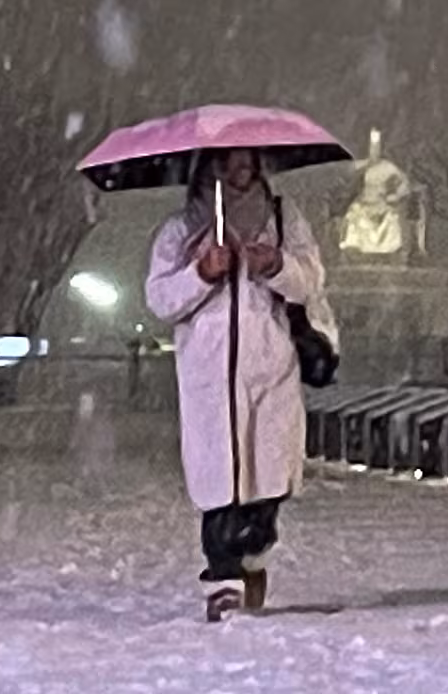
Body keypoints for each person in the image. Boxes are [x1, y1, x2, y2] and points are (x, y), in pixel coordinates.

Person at [147, 148, 341, 619]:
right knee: (220, 485)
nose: (238, 171)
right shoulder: (181, 230)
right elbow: (160, 299)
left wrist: (275, 265)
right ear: (207, 167)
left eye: (246, 161)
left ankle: (252, 557)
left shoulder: (283, 219)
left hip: (272, 371)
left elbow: (310, 281)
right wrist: (201, 274)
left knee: (267, 481)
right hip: (210, 377)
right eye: (226, 162)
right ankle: (223, 581)